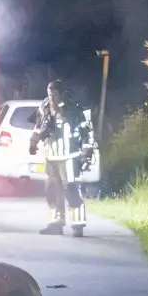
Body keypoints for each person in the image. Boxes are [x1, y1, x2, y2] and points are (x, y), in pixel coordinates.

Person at [29, 80, 96, 237]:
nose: (51, 96)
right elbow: (37, 126)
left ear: (61, 93)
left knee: (70, 189)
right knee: (52, 191)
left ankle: (78, 224)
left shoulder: (73, 110)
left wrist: (88, 149)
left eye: (54, 93)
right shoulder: (44, 107)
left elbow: (87, 131)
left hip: (69, 158)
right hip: (50, 157)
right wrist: (33, 142)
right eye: (49, 93)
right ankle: (55, 223)